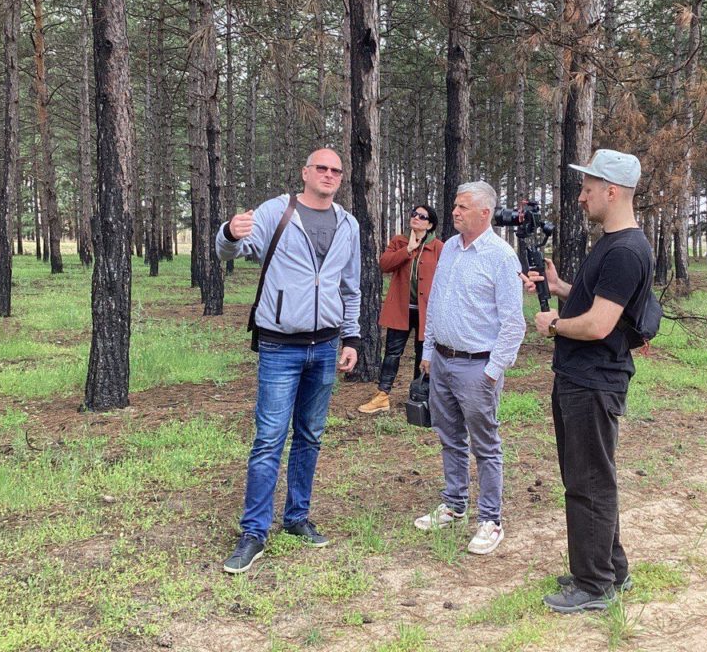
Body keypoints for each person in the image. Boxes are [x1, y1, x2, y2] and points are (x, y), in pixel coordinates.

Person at [215, 148, 361, 574]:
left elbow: (349, 287)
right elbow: (229, 253)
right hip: (281, 346)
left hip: (327, 346)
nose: (329, 175)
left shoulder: (348, 224)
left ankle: (297, 518)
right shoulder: (277, 211)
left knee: (310, 435)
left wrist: (351, 336)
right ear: (305, 172)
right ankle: (254, 532)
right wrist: (228, 231)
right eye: (322, 168)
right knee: (269, 440)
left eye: (336, 170)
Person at [528, 149, 654, 613]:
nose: (581, 197)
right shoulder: (612, 243)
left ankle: (593, 585)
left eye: (588, 188)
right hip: (582, 377)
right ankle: (609, 569)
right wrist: (563, 289)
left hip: (593, 382)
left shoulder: (624, 249)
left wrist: (554, 324)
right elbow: (603, 303)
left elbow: (600, 325)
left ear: (612, 192)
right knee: (590, 477)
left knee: (588, 482)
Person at [415, 181, 526, 555]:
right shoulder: (448, 249)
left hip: (478, 367)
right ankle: (454, 505)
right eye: (455, 206)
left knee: (485, 445)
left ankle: (490, 520)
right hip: (443, 362)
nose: (455, 212)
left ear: (484, 213)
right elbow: (436, 303)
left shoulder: (500, 256)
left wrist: (493, 370)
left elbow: (514, 322)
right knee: (449, 438)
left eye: (463, 207)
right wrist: (429, 349)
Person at [358, 204, 443, 414]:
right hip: (401, 308)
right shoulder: (399, 241)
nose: (416, 218)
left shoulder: (439, 247)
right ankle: (382, 396)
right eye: (414, 214)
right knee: (392, 353)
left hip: (427, 312)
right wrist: (408, 250)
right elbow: (385, 264)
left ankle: (419, 397)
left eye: (422, 216)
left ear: (430, 224)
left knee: (422, 353)